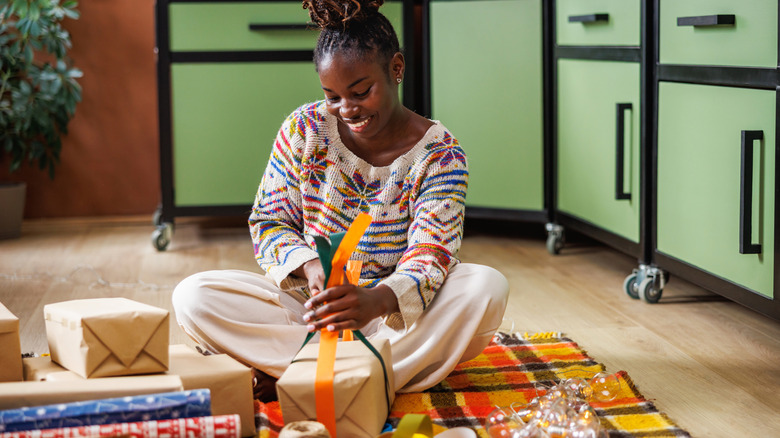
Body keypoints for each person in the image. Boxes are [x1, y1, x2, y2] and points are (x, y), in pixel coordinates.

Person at [171, 0, 509, 402]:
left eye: (361, 92)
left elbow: (432, 252)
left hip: (393, 321)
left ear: (396, 69)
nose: (347, 109)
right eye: (332, 96)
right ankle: (364, 377)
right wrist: (311, 267)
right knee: (193, 296)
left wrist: (377, 300)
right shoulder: (304, 128)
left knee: (486, 287)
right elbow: (268, 221)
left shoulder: (441, 156)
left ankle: (298, 376)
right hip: (310, 311)